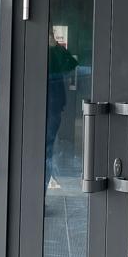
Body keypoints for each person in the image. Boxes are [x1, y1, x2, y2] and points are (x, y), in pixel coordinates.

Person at [46, 30, 78, 189]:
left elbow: (71, 63)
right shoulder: (35, 50)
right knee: (44, 147)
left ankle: (45, 183)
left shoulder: (54, 52)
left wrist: (55, 46)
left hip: (53, 105)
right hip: (41, 105)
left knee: (48, 146)